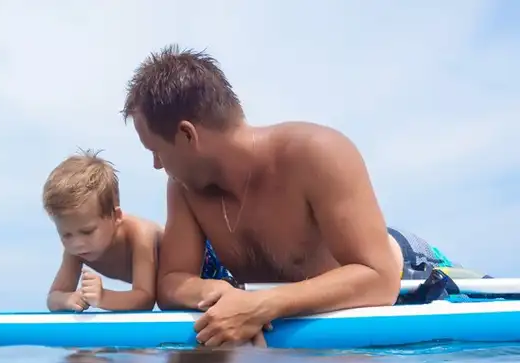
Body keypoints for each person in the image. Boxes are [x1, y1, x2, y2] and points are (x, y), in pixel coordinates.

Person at [121, 44, 476, 346]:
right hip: (299, 298)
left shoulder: (318, 153)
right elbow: (171, 284)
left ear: (187, 136)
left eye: (156, 150)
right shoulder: (185, 188)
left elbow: (380, 279)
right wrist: (216, 294)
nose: (155, 165)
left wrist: (260, 305)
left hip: (410, 271)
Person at [42, 149, 242, 312]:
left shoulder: (139, 235)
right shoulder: (76, 249)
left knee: (229, 289)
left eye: (87, 231)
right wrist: (68, 300)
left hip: (204, 263)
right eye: (65, 234)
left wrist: (103, 297)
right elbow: (54, 297)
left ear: (116, 217)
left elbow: (145, 298)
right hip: (175, 291)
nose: (76, 242)